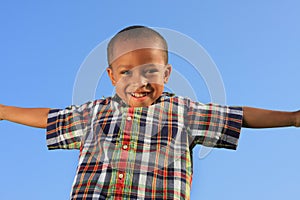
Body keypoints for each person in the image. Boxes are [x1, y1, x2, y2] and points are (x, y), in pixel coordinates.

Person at [0, 25, 299, 200]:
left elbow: (238, 116)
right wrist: (3, 111)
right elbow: (49, 118)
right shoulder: (94, 113)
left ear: (166, 73)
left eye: (151, 71)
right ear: (112, 76)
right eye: (126, 72)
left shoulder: (183, 112)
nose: (139, 82)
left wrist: (293, 118)